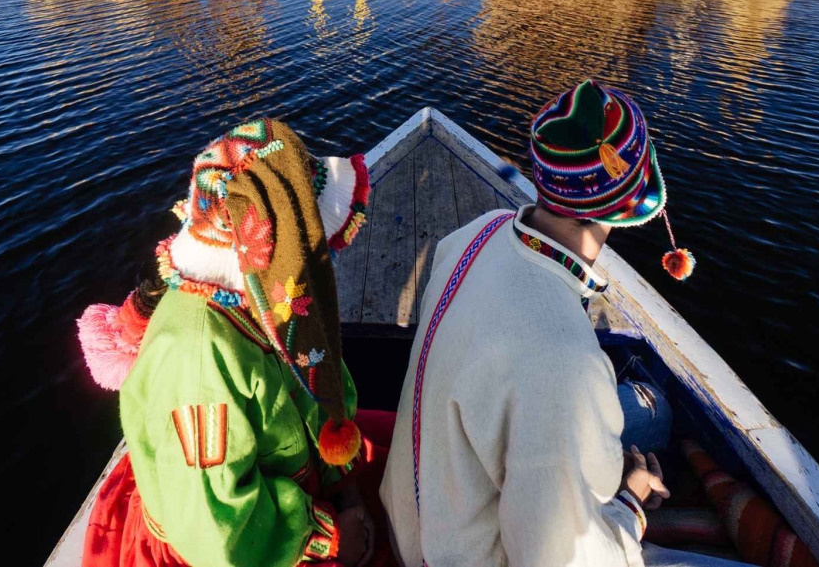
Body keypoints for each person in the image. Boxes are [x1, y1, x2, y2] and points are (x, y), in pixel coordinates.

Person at [380, 80, 716, 567]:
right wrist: (629, 505)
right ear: (626, 206)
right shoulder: (564, 364)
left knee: (655, 412)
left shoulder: (478, 232)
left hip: (415, 507)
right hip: (446, 556)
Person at [75, 119, 390, 567]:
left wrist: (345, 488)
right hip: (244, 539)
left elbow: (322, 381)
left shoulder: (281, 301)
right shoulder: (199, 359)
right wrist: (328, 536)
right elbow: (217, 532)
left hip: (289, 484)